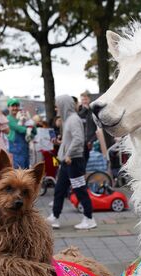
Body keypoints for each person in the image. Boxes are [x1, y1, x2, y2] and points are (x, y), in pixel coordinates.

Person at [46, 95, 96, 230]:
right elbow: (73, 139)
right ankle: (54, 217)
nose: (56, 108)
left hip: (73, 161)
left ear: (64, 105)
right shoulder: (68, 120)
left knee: (80, 190)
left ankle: (89, 218)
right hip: (67, 161)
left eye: (58, 105)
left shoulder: (73, 120)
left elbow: (79, 139)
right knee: (59, 189)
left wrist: (68, 154)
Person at [6, 98, 30, 169]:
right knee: (18, 171)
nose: (15, 108)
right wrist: (29, 129)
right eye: (13, 106)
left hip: (25, 148)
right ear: (8, 108)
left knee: (26, 170)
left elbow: (33, 129)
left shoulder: (22, 117)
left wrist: (31, 131)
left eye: (17, 106)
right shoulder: (8, 119)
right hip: (16, 149)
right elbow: (21, 129)